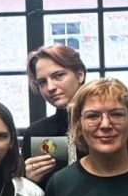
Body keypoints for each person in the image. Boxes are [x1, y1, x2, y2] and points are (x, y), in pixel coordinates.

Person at [22, 44, 88, 185]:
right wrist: (28, 182)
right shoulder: (36, 133)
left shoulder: (103, 126)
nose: (50, 87)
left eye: (58, 76)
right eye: (42, 82)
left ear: (80, 75)